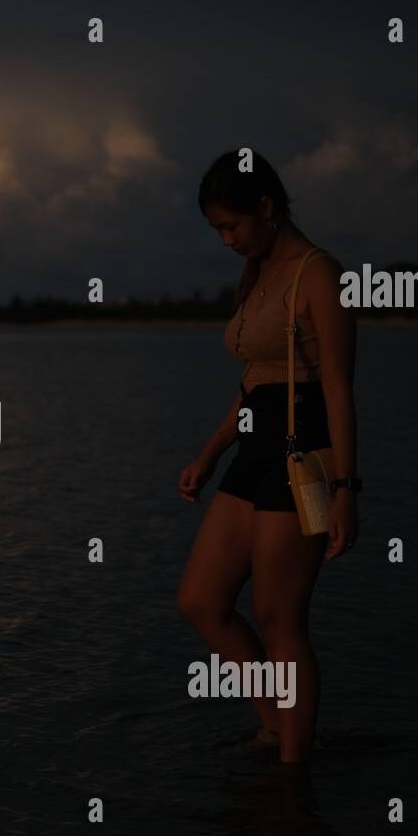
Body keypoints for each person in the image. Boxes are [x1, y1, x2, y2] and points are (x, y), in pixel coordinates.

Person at [176, 149, 362, 765]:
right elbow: (257, 380)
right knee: (201, 602)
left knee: (280, 618)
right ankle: (277, 727)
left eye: (231, 226)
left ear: (266, 208)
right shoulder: (255, 272)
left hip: (306, 460)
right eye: (216, 230)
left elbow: (337, 388)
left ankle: (293, 774)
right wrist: (209, 453)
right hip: (251, 455)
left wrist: (345, 490)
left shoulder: (319, 274)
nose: (226, 241)